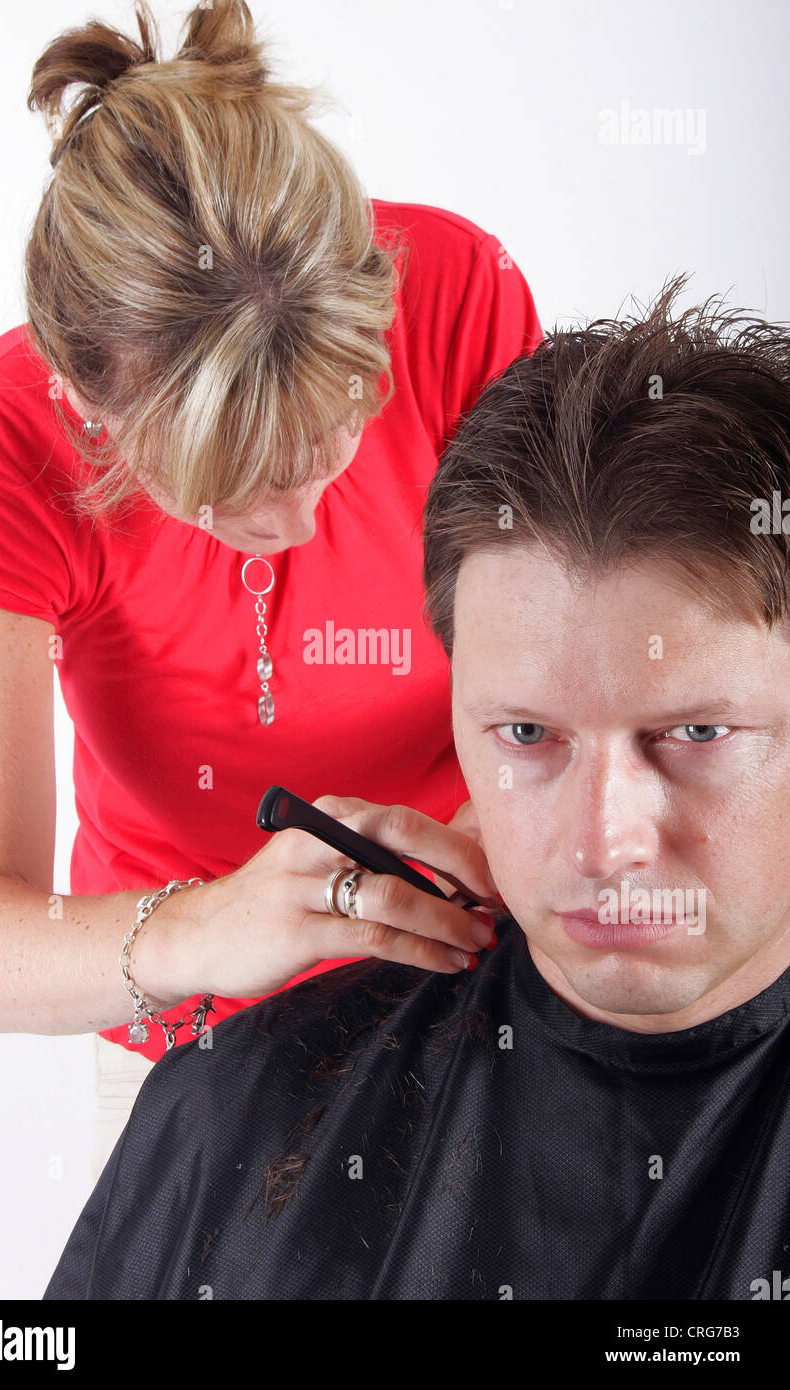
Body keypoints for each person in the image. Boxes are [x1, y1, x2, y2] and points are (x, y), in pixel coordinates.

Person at [44, 279, 790, 1300]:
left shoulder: (437, 282)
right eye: (526, 734)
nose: (602, 843)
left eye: (696, 732)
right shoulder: (242, 1115)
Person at [0, 0, 539, 1182]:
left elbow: (571, 678)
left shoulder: (460, 290)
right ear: (87, 410)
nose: (302, 522)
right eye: (236, 492)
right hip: (190, 1030)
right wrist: (206, 925)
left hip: (475, 967)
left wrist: (500, 846)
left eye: (328, 446)